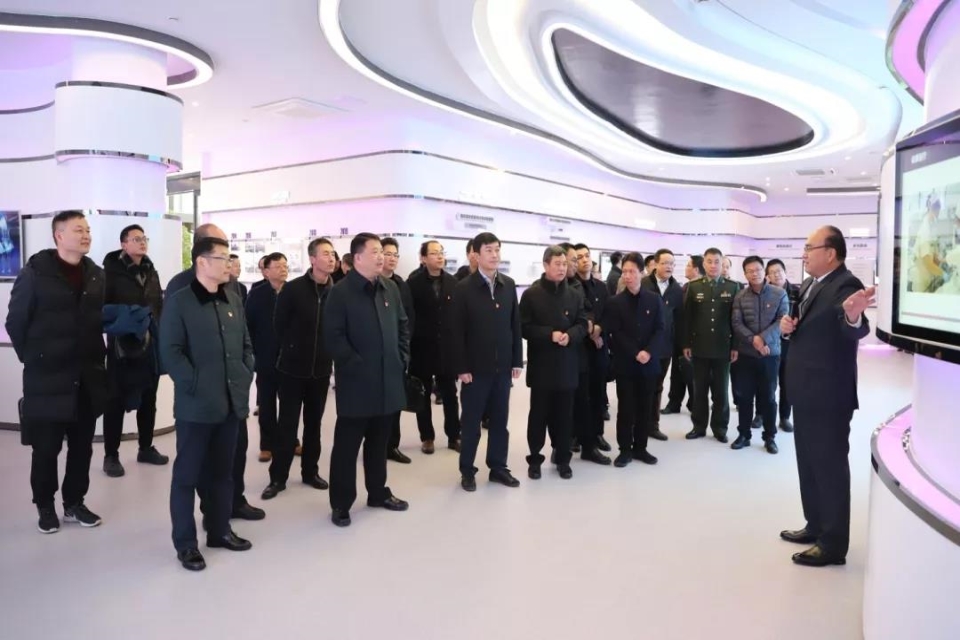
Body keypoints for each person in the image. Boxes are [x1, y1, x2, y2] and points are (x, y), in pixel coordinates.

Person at [7, 210, 107, 533]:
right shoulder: (36, 273)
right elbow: (15, 321)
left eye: (88, 229)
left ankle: (74, 503)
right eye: (78, 229)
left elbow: (98, 320)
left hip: (87, 378)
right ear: (59, 235)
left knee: (82, 448)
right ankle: (45, 505)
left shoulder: (96, 275)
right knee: (46, 448)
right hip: (47, 378)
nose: (86, 235)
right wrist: (35, 358)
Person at [779, 226, 873, 567]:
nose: (804, 254)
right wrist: (787, 328)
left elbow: (853, 326)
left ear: (830, 253)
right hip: (804, 391)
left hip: (828, 396)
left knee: (829, 467)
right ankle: (816, 525)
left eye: (810, 247)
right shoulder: (809, 284)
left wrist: (853, 316)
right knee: (808, 464)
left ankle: (833, 544)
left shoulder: (846, 284)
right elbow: (805, 327)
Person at [161, 235, 255, 571]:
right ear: (202, 262)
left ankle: (219, 530)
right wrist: (195, 384)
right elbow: (170, 352)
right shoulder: (180, 302)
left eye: (230, 258)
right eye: (222, 258)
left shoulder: (233, 299)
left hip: (230, 402)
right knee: (187, 476)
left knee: (223, 473)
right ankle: (186, 544)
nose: (229, 264)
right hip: (196, 407)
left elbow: (246, 345)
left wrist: (244, 372)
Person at [324, 233, 410, 527]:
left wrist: (401, 358)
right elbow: (333, 337)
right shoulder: (340, 292)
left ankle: (377, 492)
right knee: (347, 447)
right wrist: (356, 365)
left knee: (379, 442)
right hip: (357, 384)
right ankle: (341, 503)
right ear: (357, 257)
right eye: (375, 252)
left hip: (388, 379)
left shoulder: (389, 288)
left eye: (382, 251)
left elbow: (402, 326)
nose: (381, 256)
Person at [448, 232, 523, 491]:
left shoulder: (508, 285)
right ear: (476, 255)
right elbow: (455, 332)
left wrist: (517, 360)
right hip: (475, 371)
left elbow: (515, 324)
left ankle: (498, 467)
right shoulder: (463, 288)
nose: (494, 255)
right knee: (471, 424)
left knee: (500, 422)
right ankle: (467, 470)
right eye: (488, 250)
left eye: (497, 250)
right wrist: (461, 367)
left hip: (502, 369)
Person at [263, 238, 335, 500]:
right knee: (287, 425)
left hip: (321, 370)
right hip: (292, 370)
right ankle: (278, 477)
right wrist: (293, 348)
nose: (331, 258)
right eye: (325, 254)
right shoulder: (293, 289)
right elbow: (279, 325)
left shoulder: (336, 292)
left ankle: (310, 472)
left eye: (333, 254)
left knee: (314, 425)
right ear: (312, 259)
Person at [101, 224, 168, 478]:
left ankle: (145, 447)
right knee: (115, 401)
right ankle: (111, 455)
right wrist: (128, 318)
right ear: (124, 244)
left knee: (149, 398)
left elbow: (158, 305)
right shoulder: (110, 272)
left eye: (144, 238)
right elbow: (102, 309)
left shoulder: (150, 270)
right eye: (136, 238)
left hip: (150, 344)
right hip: (122, 346)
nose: (142, 242)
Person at [520, 245, 588, 480]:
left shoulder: (575, 294)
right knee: (538, 416)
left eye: (564, 264)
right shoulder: (532, 294)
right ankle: (534, 459)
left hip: (567, 365)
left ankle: (563, 459)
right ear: (546, 265)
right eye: (557, 264)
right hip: (542, 366)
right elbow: (523, 327)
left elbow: (582, 323)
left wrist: (571, 335)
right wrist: (549, 334)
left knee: (564, 417)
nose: (562, 268)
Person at [604, 252, 666, 467]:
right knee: (626, 409)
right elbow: (615, 333)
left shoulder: (654, 299)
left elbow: (660, 329)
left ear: (642, 272)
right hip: (626, 364)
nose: (628, 276)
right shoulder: (615, 302)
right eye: (625, 272)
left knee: (645, 408)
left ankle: (641, 448)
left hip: (649, 363)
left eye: (632, 271)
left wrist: (648, 352)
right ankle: (625, 450)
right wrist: (635, 352)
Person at [407, 240, 461, 457]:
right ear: (423, 258)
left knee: (450, 394)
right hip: (421, 347)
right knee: (423, 394)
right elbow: (409, 316)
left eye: (441, 253)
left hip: (447, 348)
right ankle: (427, 437)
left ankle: (454, 435)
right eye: (434, 253)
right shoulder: (413, 283)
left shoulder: (453, 282)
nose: (439, 257)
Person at [730, 256, 788, 454]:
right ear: (745, 274)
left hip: (770, 354)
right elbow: (736, 323)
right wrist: (753, 340)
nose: (754, 274)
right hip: (746, 354)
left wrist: (762, 339)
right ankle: (744, 435)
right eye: (750, 271)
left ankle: (769, 437)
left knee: (769, 398)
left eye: (757, 270)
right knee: (744, 397)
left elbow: (781, 321)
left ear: (764, 272)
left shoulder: (779, 293)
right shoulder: (740, 296)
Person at [683, 248, 739, 443]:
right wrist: (686, 343)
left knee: (721, 391)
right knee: (699, 390)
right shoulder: (694, 286)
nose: (713, 265)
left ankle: (720, 428)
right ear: (703, 264)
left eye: (717, 262)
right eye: (709, 261)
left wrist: (735, 346)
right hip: (699, 346)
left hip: (723, 347)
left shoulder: (733, 287)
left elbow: (736, 320)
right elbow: (687, 318)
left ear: (722, 264)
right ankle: (698, 426)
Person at [563, 243, 610, 464]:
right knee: (579, 395)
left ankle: (597, 434)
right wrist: (591, 332)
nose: (583, 260)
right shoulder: (571, 286)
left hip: (599, 347)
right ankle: (576, 435)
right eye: (578, 257)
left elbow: (608, 314)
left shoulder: (601, 287)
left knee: (598, 392)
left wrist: (599, 329)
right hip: (580, 347)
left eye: (586, 256)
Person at [245, 252, 288, 463]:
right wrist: (255, 352)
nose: (283, 269)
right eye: (278, 266)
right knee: (267, 404)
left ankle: (291, 441)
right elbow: (248, 326)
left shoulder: (293, 292)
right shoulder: (257, 294)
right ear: (266, 271)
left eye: (285, 265)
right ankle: (267, 445)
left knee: (289, 404)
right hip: (265, 357)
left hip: (290, 359)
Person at [379, 237, 418, 463]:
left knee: (395, 403)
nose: (392, 258)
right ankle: (375, 446)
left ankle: (392, 446)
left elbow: (409, 318)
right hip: (375, 356)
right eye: (387, 254)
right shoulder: (369, 284)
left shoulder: (401, 285)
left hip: (397, 355)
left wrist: (403, 349)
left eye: (395, 255)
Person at [640, 248, 683, 441]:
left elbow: (680, 319)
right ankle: (638, 424)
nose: (668, 266)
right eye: (665, 263)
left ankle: (652, 425)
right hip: (643, 346)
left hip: (665, 347)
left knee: (657, 386)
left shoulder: (676, 289)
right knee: (642, 386)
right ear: (655, 264)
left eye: (672, 263)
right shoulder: (643, 284)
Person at [663, 255, 703, 415]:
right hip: (679, 336)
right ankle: (674, 403)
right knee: (677, 373)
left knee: (693, 373)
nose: (685, 268)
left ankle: (695, 404)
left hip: (695, 338)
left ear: (696, 269)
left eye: (688, 265)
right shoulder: (684, 287)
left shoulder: (701, 289)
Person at [765, 259, 800, 432]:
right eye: (772, 272)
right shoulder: (764, 292)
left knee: (787, 383)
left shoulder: (797, 292)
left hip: (789, 345)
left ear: (785, 272)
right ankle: (761, 414)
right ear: (768, 276)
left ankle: (784, 417)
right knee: (766, 382)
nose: (776, 275)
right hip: (769, 344)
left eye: (779, 271)